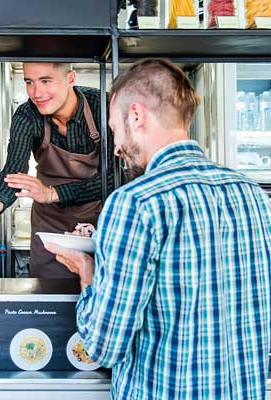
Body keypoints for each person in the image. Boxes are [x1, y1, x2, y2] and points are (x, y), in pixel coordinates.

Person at [46, 59, 271, 399]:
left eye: (115, 129)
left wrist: (87, 270)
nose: (117, 145)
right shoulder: (254, 197)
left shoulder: (135, 203)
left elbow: (104, 346)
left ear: (136, 115)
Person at [0, 62, 111, 278]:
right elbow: (14, 168)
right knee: (49, 294)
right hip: (49, 225)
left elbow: (118, 178)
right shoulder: (27, 114)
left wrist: (53, 193)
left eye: (45, 81)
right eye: (29, 82)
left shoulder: (103, 106)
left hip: (99, 224)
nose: (36, 93)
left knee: (100, 287)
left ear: (71, 78)